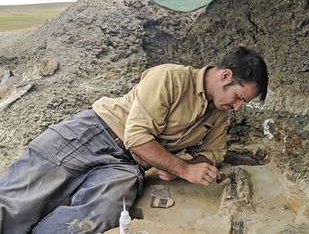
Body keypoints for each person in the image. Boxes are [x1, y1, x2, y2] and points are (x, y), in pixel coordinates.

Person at [0, 46, 268, 233]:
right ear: (226, 76)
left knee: (99, 214)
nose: (238, 107)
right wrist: (182, 168)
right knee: (17, 204)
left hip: (128, 166)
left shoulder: (218, 113)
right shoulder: (171, 78)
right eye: (239, 98)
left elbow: (215, 151)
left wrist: (195, 164)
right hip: (93, 134)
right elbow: (137, 138)